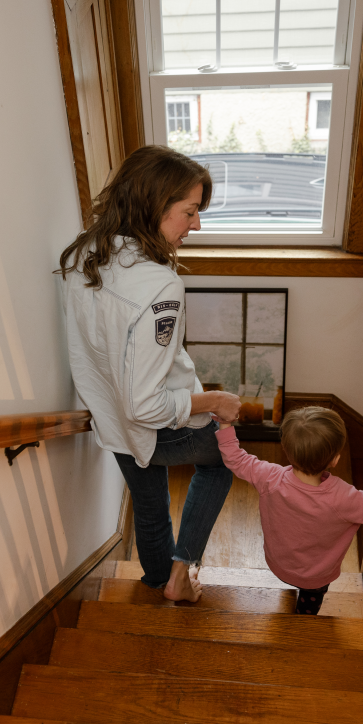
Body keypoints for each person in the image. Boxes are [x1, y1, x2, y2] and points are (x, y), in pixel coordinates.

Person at [57, 146, 242, 603]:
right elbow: (148, 406)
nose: (196, 225)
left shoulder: (86, 252)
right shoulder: (160, 285)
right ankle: (183, 572)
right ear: (153, 205)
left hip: (111, 418)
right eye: (190, 212)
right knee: (221, 460)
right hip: (148, 421)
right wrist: (215, 402)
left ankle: (161, 580)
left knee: (148, 497)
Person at [216, 406, 363, 614]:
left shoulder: (270, 478)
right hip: (314, 579)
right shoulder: (342, 497)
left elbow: (237, 459)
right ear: (335, 459)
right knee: (308, 611)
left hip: (279, 564)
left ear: (286, 449)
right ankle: (304, 621)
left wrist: (225, 424)